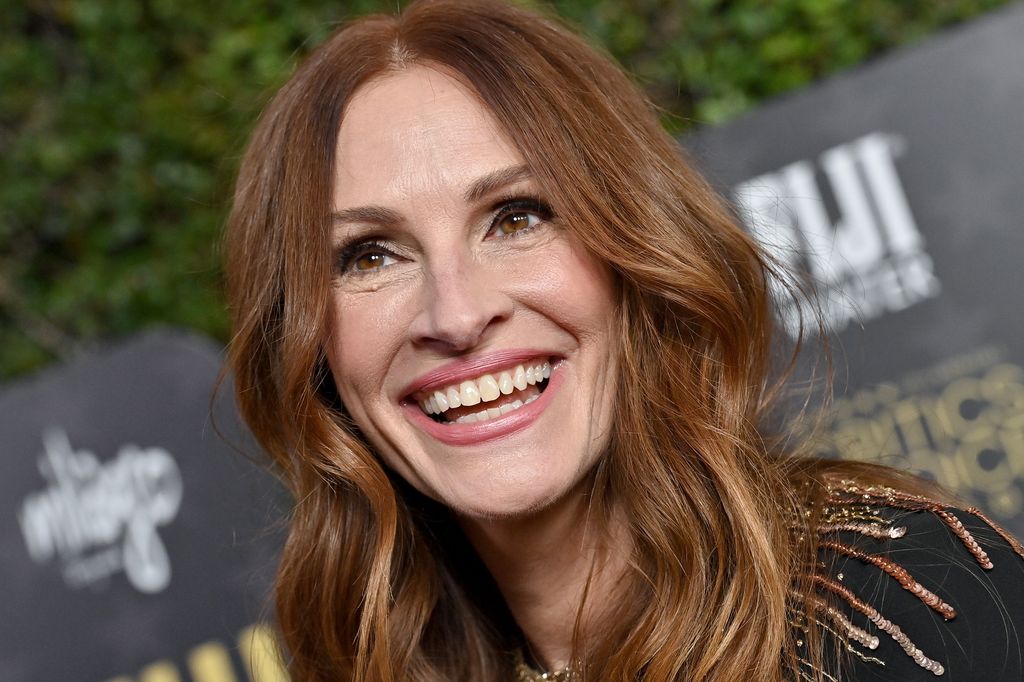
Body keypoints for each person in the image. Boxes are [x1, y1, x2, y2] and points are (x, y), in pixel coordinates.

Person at [223, 1, 1024, 679]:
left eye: (517, 217)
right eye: (370, 256)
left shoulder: (911, 606)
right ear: (309, 345)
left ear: (635, 252)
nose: (458, 315)